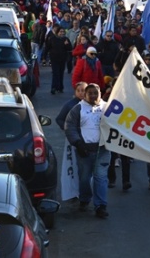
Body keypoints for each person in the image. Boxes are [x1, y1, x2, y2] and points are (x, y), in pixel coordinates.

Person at [64, 84, 110, 219]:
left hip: (102, 150)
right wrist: (78, 143)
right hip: (84, 151)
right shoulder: (78, 109)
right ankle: (84, 199)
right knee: (84, 178)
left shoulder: (108, 108)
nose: (94, 96)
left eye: (96, 93)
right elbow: (69, 126)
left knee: (100, 178)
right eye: (90, 93)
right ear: (85, 95)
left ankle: (101, 206)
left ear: (100, 93)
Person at [46, 26, 72, 94]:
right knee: (55, 73)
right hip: (54, 58)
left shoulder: (65, 39)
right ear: (57, 32)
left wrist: (67, 45)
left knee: (61, 73)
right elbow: (47, 47)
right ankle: (54, 87)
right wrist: (44, 57)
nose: (62, 33)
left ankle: (60, 87)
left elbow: (70, 49)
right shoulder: (52, 39)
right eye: (60, 32)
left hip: (62, 59)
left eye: (63, 32)